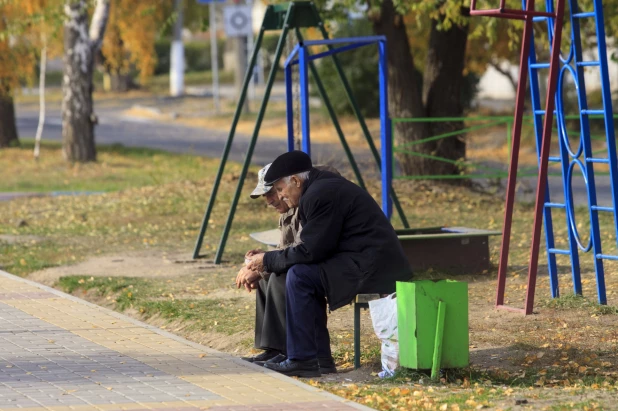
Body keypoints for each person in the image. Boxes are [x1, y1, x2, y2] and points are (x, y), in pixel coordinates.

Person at [245, 151, 413, 378]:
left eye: (280, 189)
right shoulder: (319, 190)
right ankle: (317, 360)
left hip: (371, 267)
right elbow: (314, 248)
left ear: (295, 181)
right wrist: (268, 261)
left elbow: (311, 251)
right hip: (360, 261)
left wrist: (267, 260)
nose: (280, 195)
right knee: (300, 274)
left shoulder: (319, 194)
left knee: (300, 276)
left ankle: (304, 359)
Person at [236, 163, 339, 374]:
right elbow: (286, 250)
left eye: (273, 193)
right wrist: (258, 263)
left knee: (282, 277)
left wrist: (263, 266)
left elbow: (301, 251)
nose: (271, 201)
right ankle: (276, 348)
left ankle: (299, 353)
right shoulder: (288, 211)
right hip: (309, 263)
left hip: (328, 266)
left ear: (289, 185)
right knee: (269, 278)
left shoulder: (307, 204)